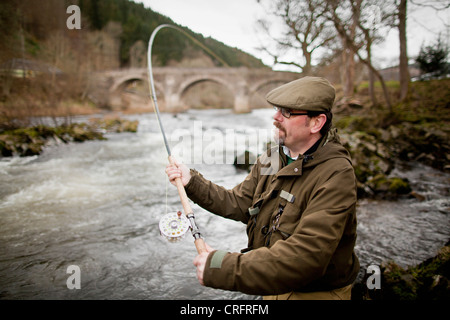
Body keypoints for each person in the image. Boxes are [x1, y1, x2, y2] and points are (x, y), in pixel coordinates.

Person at [165, 76, 359, 300]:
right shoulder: (273, 156)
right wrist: (191, 181)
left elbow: (306, 257)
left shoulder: (337, 174)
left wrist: (219, 265)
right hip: (272, 285)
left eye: (287, 112)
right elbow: (239, 203)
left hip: (317, 293)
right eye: (277, 109)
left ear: (316, 123)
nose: (275, 117)